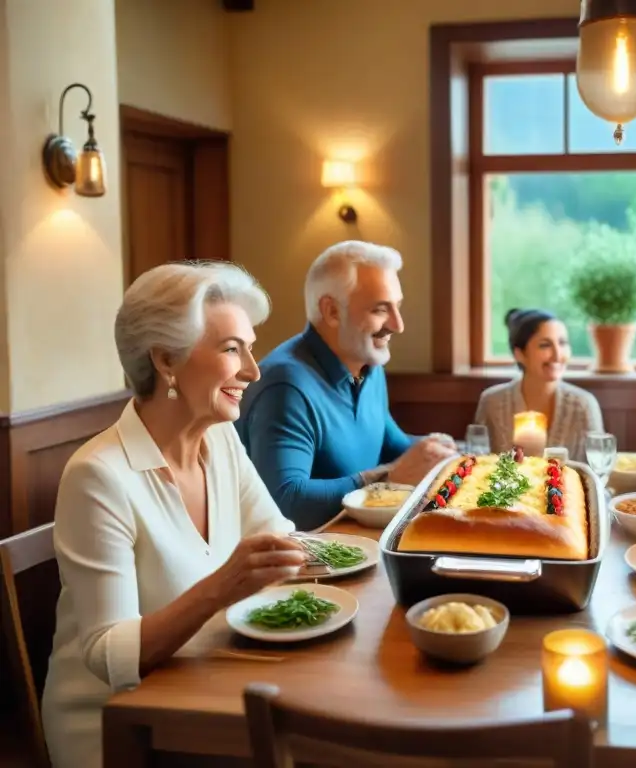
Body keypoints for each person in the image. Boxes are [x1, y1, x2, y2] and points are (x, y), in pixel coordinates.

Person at [41, 262, 308, 768]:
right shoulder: (98, 475)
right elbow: (108, 653)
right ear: (166, 359)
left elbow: (278, 539)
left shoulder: (221, 438)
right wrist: (222, 586)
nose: (253, 370)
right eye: (233, 349)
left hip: (206, 687)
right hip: (121, 728)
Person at [236, 241, 456, 531]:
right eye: (381, 309)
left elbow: (392, 445)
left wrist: (445, 453)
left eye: (397, 306)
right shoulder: (285, 386)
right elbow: (286, 501)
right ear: (331, 311)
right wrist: (388, 480)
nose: (398, 324)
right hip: (303, 566)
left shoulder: (368, 365)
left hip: (358, 546)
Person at [474, 308, 603, 462]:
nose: (557, 355)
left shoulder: (584, 405)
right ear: (519, 354)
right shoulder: (492, 402)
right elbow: (477, 462)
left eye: (562, 343)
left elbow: (597, 470)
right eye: (545, 345)